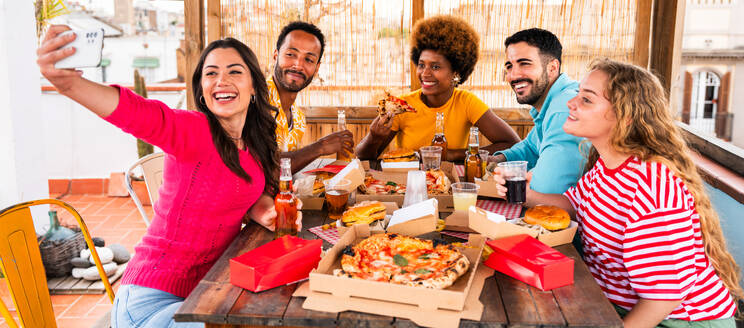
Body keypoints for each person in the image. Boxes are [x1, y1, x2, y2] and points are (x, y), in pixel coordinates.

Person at [37, 25, 301, 327]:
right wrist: (68, 83)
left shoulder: (255, 147)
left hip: (203, 292)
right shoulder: (192, 131)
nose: (221, 81)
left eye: (234, 72)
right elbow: (135, 112)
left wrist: (264, 207)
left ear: (254, 85)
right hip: (150, 298)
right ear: (201, 88)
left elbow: (250, 187)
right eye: (211, 73)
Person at [493, 58, 742, 327]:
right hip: (616, 304)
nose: (571, 103)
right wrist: (521, 193)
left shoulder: (652, 188)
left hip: (676, 321)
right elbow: (574, 204)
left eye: (587, 100)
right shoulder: (606, 166)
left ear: (625, 116)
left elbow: (663, 299)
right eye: (578, 94)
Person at [355, 15, 519, 161]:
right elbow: (363, 156)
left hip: (450, 185)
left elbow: (512, 144)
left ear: (456, 71)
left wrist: (452, 155)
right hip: (407, 185)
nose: (425, 73)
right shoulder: (402, 105)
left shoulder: (466, 102)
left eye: (435, 67)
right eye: (421, 65)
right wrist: (374, 137)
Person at [488, 28, 584, 194]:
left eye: (524, 63)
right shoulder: (551, 102)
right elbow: (531, 147)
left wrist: (510, 177)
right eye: (509, 66)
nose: (513, 75)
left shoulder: (564, 108)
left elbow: (548, 187)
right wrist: (499, 159)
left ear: (552, 68)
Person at [269, 21, 354, 172]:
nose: (298, 65)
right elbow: (263, 170)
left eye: (308, 59)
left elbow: (285, 173)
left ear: (316, 68)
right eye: (291, 54)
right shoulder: (254, 100)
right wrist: (320, 147)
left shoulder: (298, 119)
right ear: (276, 56)